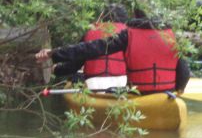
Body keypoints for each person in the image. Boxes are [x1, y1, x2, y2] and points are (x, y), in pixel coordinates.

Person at [36, 7, 190, 93]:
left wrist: (54, 54)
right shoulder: (171, 36)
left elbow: (89, 49)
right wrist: (179, 90)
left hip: (139, 94)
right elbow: (184, 71)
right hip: (167, 94)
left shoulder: (127, 36)